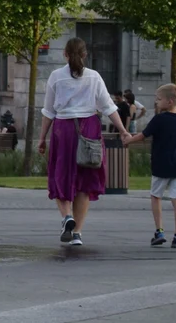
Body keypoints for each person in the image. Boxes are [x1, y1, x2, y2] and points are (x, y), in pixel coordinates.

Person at [37, 37, 129, 247]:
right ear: (85, 54)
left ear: (65, 54)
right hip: (89, 128)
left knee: (61, 174)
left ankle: (66, 216)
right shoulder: (94, 77)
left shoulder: (56, 77)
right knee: (85, 181)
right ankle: (77, 232)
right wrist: (123, 131)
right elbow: (108, 107)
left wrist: (42, 138)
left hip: (64, 129)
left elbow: (48, 111)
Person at [124, 83, 176, 249]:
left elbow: (143, 135)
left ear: (169, 101)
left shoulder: (159, 119)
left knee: (156, 196)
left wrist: (128, 139)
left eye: (159, 99)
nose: (156, 102)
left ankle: (159, 231)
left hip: (161, 165)